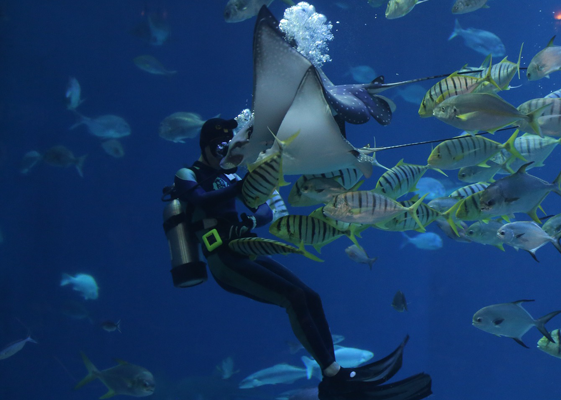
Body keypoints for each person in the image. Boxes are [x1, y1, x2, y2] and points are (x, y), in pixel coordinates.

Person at [168, 118, 432, 400]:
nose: (224, 153)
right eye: (218, 146)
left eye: (227, 146)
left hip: (244, 248)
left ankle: (336, 372)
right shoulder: (188, 173)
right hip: (223, 260)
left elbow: (266, 212)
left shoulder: (231, 175)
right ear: (206, 144)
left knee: (310, 296)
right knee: (293, 297)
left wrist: (247, 217)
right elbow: (199, 200)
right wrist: (243, 184)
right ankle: (332, 375)